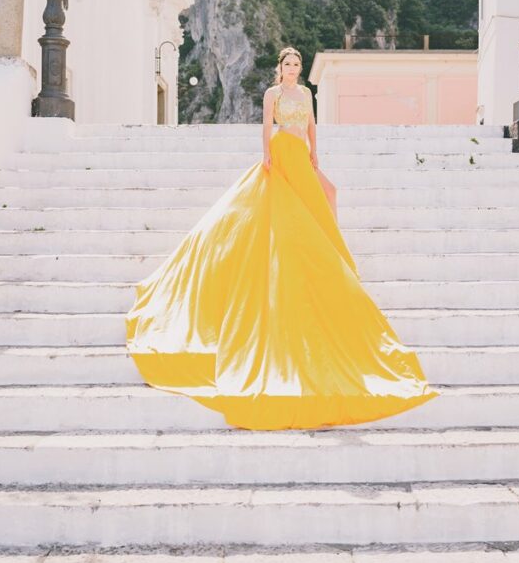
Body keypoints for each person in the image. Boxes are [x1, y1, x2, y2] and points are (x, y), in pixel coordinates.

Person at [125, 45, 439, 430]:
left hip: (301, 152)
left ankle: (326, 247)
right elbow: (266, 126)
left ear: (300, 69)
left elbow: (310, 126)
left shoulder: (305, 94)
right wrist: (266, 155)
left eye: (296, 65)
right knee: (284, 210)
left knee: (322, 198)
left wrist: (316, 155)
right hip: (280, 151)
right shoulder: (272, 94)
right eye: (288, 65)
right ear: (280, 68)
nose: (292, 69)